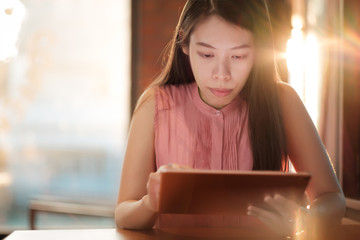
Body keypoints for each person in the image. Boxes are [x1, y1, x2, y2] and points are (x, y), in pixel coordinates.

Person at [115, 0, 346, 238]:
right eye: (207, 54)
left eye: (238, 56)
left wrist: (304, 220)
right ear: (184, 43)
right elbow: (124, 212)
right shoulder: (155, 104)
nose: (222, 74)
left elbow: (332, 198)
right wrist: (150, 204)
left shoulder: (283, 102)